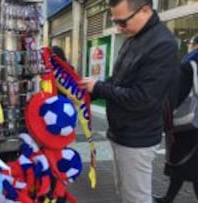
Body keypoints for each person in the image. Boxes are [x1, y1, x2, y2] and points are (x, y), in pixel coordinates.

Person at [79, 0, 178, 202]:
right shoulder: (134, 36)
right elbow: (119, 81)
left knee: (136, 197)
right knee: (126, 192)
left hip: (137, 137)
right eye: (116, 21)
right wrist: (95, 88)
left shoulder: (162, 44)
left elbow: (143, 98)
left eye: (122, 22)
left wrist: (99, 88)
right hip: (122, 132)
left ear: (145, 10)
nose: (118, 28)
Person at [154, 34, 198, 203]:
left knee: (187, 165)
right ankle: (168, 198)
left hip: (188, 124)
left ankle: (168, 198)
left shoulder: (189, 64)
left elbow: (175, 95)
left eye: (190, 43)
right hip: (193, 124)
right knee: (184, 167)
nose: (189, 46)